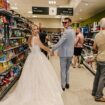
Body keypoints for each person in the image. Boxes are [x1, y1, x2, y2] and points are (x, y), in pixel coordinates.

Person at [0, 24, 64, 105]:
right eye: (34, 29)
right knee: (41, 75)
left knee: (31, 75)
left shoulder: (29, 38)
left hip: (31, 57)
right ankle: (38, 91)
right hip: (38, 57)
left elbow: (32, 46)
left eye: (37, 29)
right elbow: (42, 47)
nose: (36, 30)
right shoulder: (36, 38)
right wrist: (50, 51)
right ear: (32, 30)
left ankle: (31, 90)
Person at [52, 17, 75, 91]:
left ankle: (63, 85)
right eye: (63, 22)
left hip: (64, 54)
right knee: (67, 70)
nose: (64, 24)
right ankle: (67, 83)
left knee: (63, 70)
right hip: (70, 54)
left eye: (66, 22)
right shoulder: (73, 31)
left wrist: (52, 49)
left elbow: (60, 43)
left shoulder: (66, 32)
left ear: (70, 23)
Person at [92, 18, 105, 102]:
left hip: (99, 58)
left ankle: (94, 92)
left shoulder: (97, 35)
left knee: (97, 76)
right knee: (103, 78)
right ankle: (98, 96)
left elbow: (94, 48)